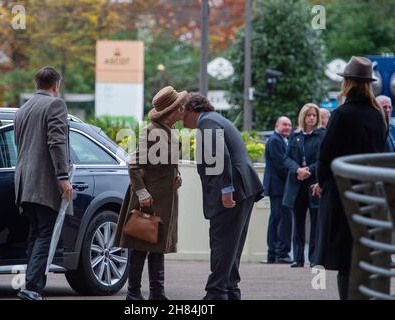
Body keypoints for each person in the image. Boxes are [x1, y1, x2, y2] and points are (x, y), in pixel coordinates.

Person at [312, 56, 387, 300]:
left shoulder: (342, 114)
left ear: (348, 83)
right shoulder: (377, 115)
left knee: (344, 256)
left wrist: (321, 182)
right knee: (365, 251)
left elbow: (326, 154)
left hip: (343, 192)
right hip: (371, 191)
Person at [182, 93, 264, 300]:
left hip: (232, 189)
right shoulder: (216, 120)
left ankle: (216, 293)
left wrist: (226, 191)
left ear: (192, 110)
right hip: (244, 186)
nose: (180, 118)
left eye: (182, 112)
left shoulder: (207, 122)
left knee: (222, 243)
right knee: (232, 243)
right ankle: (230, 290)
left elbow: (220, 157)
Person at [114, 86, 185, 300]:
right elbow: (134, 165)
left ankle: (157, 294)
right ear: (170, 111)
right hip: (150, 199)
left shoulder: (168, 131)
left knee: (156, 245)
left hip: (162, 197)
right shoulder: (151, 131)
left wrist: (176, 174)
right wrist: (143, 193)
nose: (183, 110)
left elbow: (162, 162)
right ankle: (133, 294)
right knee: (141, 245)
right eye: (180, 107)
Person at [14, 66, 73, 300]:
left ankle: (31, 284)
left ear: (36, 83)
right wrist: (63, 178)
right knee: (45, 234)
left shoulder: (22, 109)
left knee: (35, 234)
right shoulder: (55, 105)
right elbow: (57, 142)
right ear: (56, 85)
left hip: (23, 182)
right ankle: (33, 287)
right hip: (43, 182)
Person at [283, 104, 325, 268]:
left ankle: (314, 258)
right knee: (298, 222)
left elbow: (323, 158)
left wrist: (309, 170)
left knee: (315, 222)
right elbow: (286, 158)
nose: (312, 118)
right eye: (309, 115)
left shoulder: (321, 135)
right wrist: (297, 170)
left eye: (314, 115)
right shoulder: (295, 135)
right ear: (303, 117)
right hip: (296, 183)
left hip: (314, 183)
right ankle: (297, 258)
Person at [262, 117, 293, 264]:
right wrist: (296, 173)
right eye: (284, 124)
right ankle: (280, 253)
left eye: (289, 125)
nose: (287, 127)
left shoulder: (280, 140)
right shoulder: (275, 140)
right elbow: (280, 164)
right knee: (282, 220)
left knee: (276, 219)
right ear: (277, 125)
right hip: (278, 187)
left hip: (277, 187)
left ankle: (274, 253)